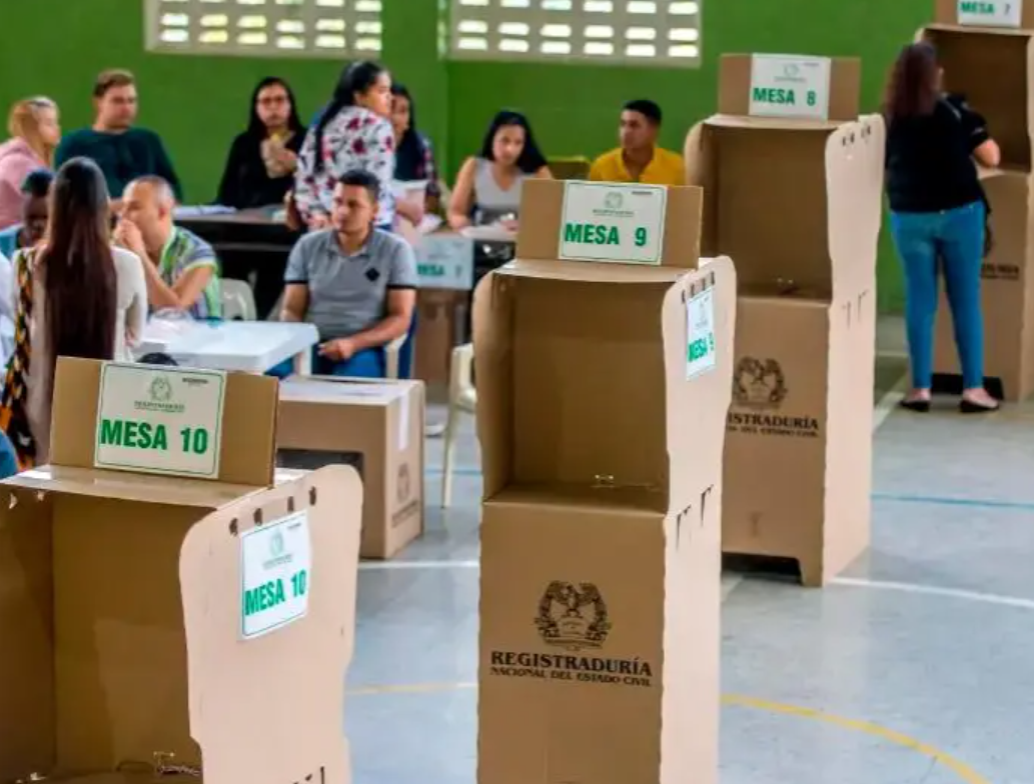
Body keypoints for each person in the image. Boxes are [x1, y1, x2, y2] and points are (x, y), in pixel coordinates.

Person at [0, 158, 147, 468]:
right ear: (103, 206)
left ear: (55, 206)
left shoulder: (25, 263)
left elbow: (20, 319)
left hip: (41, 404)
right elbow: (136, 335)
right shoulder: (127, 264)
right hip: (115, 407)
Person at [884, 42, 1001, 413]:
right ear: (935, 74)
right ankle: (973, 390)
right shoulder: (955, 111)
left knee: (920, 302)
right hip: (959, 214)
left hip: (910, 217)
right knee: (965, 301)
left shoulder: (890, 117)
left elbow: (880, 166)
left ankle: (920, 389)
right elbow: (991, 155)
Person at [278, 169, 417, 378]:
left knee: (349, 386)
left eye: (354, 205)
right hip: (312, 342)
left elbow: (400, 317)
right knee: (268, 379)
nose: (342, 211)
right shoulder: (308, 246)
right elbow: (291, 309)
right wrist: (302, 344)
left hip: (363, 347)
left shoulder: (395, 250)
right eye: (337, 202)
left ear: (374, 211)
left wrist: (353, 343)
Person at [295, 61, 403, 232]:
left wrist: (317, 215)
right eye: (382, 91)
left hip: (324, 225)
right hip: (369, 229)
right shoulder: (379, 126)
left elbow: (303, 178)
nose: (391, 97)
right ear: (359, 96)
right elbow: (378, 185)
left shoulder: (321, 124)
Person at [55, 70, 181, 202]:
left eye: (131, 101)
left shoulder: (148, 141)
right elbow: (63, 198)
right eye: (118, 101)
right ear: (98, 102)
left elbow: (174, 192)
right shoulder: (74, 144)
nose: (126, 108)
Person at [115, 176, 222, 319]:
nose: (123, 215)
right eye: (123, 207)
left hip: (200, 337)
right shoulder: (121, 249)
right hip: (145, 338)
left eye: (134, 207)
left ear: (162, 211)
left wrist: (139, 256)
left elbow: (173, 311)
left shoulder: (197, 251)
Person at [447, 110, 551, 231]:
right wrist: (464, 226)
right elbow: (455, 212)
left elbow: (553, 214)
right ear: (492, 139)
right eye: (504, 141)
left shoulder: (538, 171)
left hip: (524, 241)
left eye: (518, 143)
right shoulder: (474, 166)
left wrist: (529, 226)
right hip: (482, 239)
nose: (510, 149)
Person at [216, 77, 306, 209]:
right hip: (245, 222)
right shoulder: (243, 143)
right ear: (256, 108)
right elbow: (227, 193)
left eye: (280, 100)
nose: (273, 107)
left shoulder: (308, 140)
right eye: (266, 101)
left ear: (290, 104)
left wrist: (297, 166)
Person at [589, 99, 685, 186]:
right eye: (623, 124)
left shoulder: (677, 167)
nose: (626, 132)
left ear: (653, 130)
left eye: (634, 125)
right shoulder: (602, 166)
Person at [0, 97, 60, 228]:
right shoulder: (18, 163)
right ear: (31, 127)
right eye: (49, 123)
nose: (57, 128)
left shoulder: (29, 159)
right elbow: (51, 200)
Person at [391, 83, 442, 214]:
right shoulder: (365, 144)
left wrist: (418, 210)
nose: (396, 117)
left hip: (411, 218)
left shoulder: (422, 145)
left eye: (403, 111)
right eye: (391, 109)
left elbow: (432, 195)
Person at [0, 169, 52, 259]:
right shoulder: (2, 245)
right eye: (31, 217)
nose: (38, 225)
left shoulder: (67, 247)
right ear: (21, 209)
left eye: (45, 217)